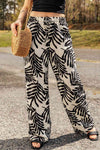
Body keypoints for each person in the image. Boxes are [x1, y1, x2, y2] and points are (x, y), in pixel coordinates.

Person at [10, 0, 99, 149]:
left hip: (59, 26)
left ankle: (85, 124)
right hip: (35, 28)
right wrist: (19, 20)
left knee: (71, 79)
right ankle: (38, 132)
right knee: (35, 82)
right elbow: (26, 6)